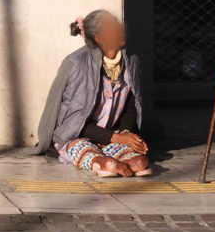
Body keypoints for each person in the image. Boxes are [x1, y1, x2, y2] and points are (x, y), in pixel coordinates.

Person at [26, 10, 152, 178]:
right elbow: (74, 119)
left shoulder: (131, 61)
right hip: (78, 135)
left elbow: (131, 105)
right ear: (99, 38)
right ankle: (102, 163)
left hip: (112, 136)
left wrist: (125, 133)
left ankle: (113, 164)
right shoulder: (75, 63)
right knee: (85, 150)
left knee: (141, 162)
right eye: (112, 26)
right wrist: (116, 138)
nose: (121, 28)